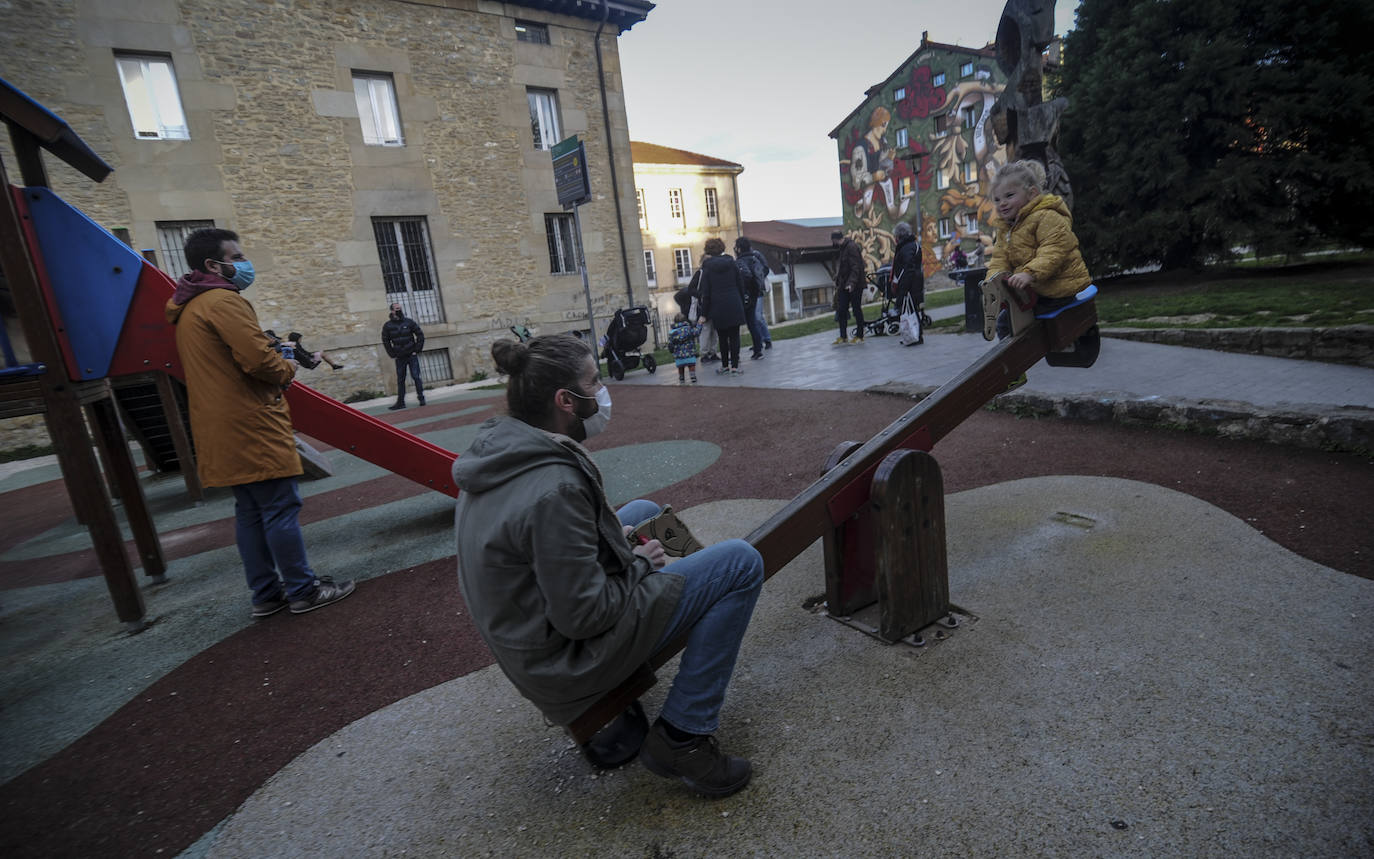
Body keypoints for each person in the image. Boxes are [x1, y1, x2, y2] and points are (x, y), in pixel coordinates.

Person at [454, 333, 764, 797]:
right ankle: (684, 736)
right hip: (566, 663)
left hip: (536, 643)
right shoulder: (553, 487)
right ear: (565, 400)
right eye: (593, 382)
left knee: (640, 511)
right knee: (740, 563)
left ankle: (700, 605)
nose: (601, 392)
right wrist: (638, 565)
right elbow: (583, 616)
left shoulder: (503, 452)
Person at [165, 228, 355, 617]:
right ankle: (303, 590)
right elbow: (259, 363)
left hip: (217, 423)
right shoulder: (223, 301)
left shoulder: (188, 308)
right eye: (236, 257)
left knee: (250, 512)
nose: (244, 263)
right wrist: (286, 365)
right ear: (212, 265)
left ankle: (266, 593)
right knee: (281, 505)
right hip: (249, 420)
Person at [985, 159, 1093, 386]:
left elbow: (1053, 250)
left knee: (1020, 323)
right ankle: (1013, 370)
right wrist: (993, 281)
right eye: (997, 199)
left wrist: (1029, 273)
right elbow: (1000, 259)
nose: (1002, 203)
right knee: (1007, 319)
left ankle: (1014, 370)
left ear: (1032, 194)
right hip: (1036, 289)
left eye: (1009, 196)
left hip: (1059, 287)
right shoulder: (1006, 229)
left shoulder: (1047, 216)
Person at [695, 238, 747, 375]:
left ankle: (724, 366)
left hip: (717, 306)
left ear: (708, 250)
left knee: (722, 337)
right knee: (735, 336)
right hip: (734, 302)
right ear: (722, 248)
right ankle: (735, 366)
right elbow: (740, 284)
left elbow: (706, 293)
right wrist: (742, 302)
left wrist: (703, 313)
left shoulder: (707, 267)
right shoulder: (732, 263)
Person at [381, 302, 425, 410]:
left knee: (416, 377)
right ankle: (400, 402)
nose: (399, 310)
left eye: (400, 308)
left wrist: (417, 350)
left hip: (411, 355)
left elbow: (420, 335)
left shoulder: (409, 322)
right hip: (400, 357)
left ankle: (421, 399)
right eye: (397, 308)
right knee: (401, 379)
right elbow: (385, 340)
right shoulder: (388, 326)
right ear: (392, 311)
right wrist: (392, 353)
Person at [733, 237, 772, 359]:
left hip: (745, 295)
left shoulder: (740, 261)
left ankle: (760, 345)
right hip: (756, 293)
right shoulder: (755, 258)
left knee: (752, 321)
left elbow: (745, 277)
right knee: (753, 322)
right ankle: (758, 348)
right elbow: (764, 270)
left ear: (738, 248)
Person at [831, 230, 867, 345]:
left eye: (833, 240)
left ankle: (860, 335)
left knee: (857, 309)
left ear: (836, 239)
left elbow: (856, 267)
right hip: (844, 285)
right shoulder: (842, 248)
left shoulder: (851, 247)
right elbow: (843, 267)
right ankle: (843, 336)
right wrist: (837, 279)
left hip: (855, 285)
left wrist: (851, 283)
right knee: (841, 310)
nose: (833, 243)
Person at [890, 221, 924, 343]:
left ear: (899, 235)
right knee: (910, 310)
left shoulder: (905, 248)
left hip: (910, 284)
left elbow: (907, 268)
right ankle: (912, 334)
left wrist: (902, 287)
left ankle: (916, 335)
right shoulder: (913, 245)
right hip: (915, 281)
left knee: (911, 310)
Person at [264, 329, 344, 371]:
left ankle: (334, 366)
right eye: (300, 339)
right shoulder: (292, 344)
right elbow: (302, 353)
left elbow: (301, 353)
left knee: (320, 353)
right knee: (321, 352)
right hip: (309, 362)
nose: (300, 340)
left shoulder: (287, 344)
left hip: (305, 361)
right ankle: (334, 365)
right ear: (297, 339)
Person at [667, 312, 701, 384]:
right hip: (690, 352)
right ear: (685, 320)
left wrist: (671, 349)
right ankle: (693, 376)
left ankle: (681, 377)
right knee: (691, 364)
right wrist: (699, 324)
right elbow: (697, 332)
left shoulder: (672, 332)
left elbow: (670, 343)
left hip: (678, 354)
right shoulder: (689, 329)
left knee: (680, 366)